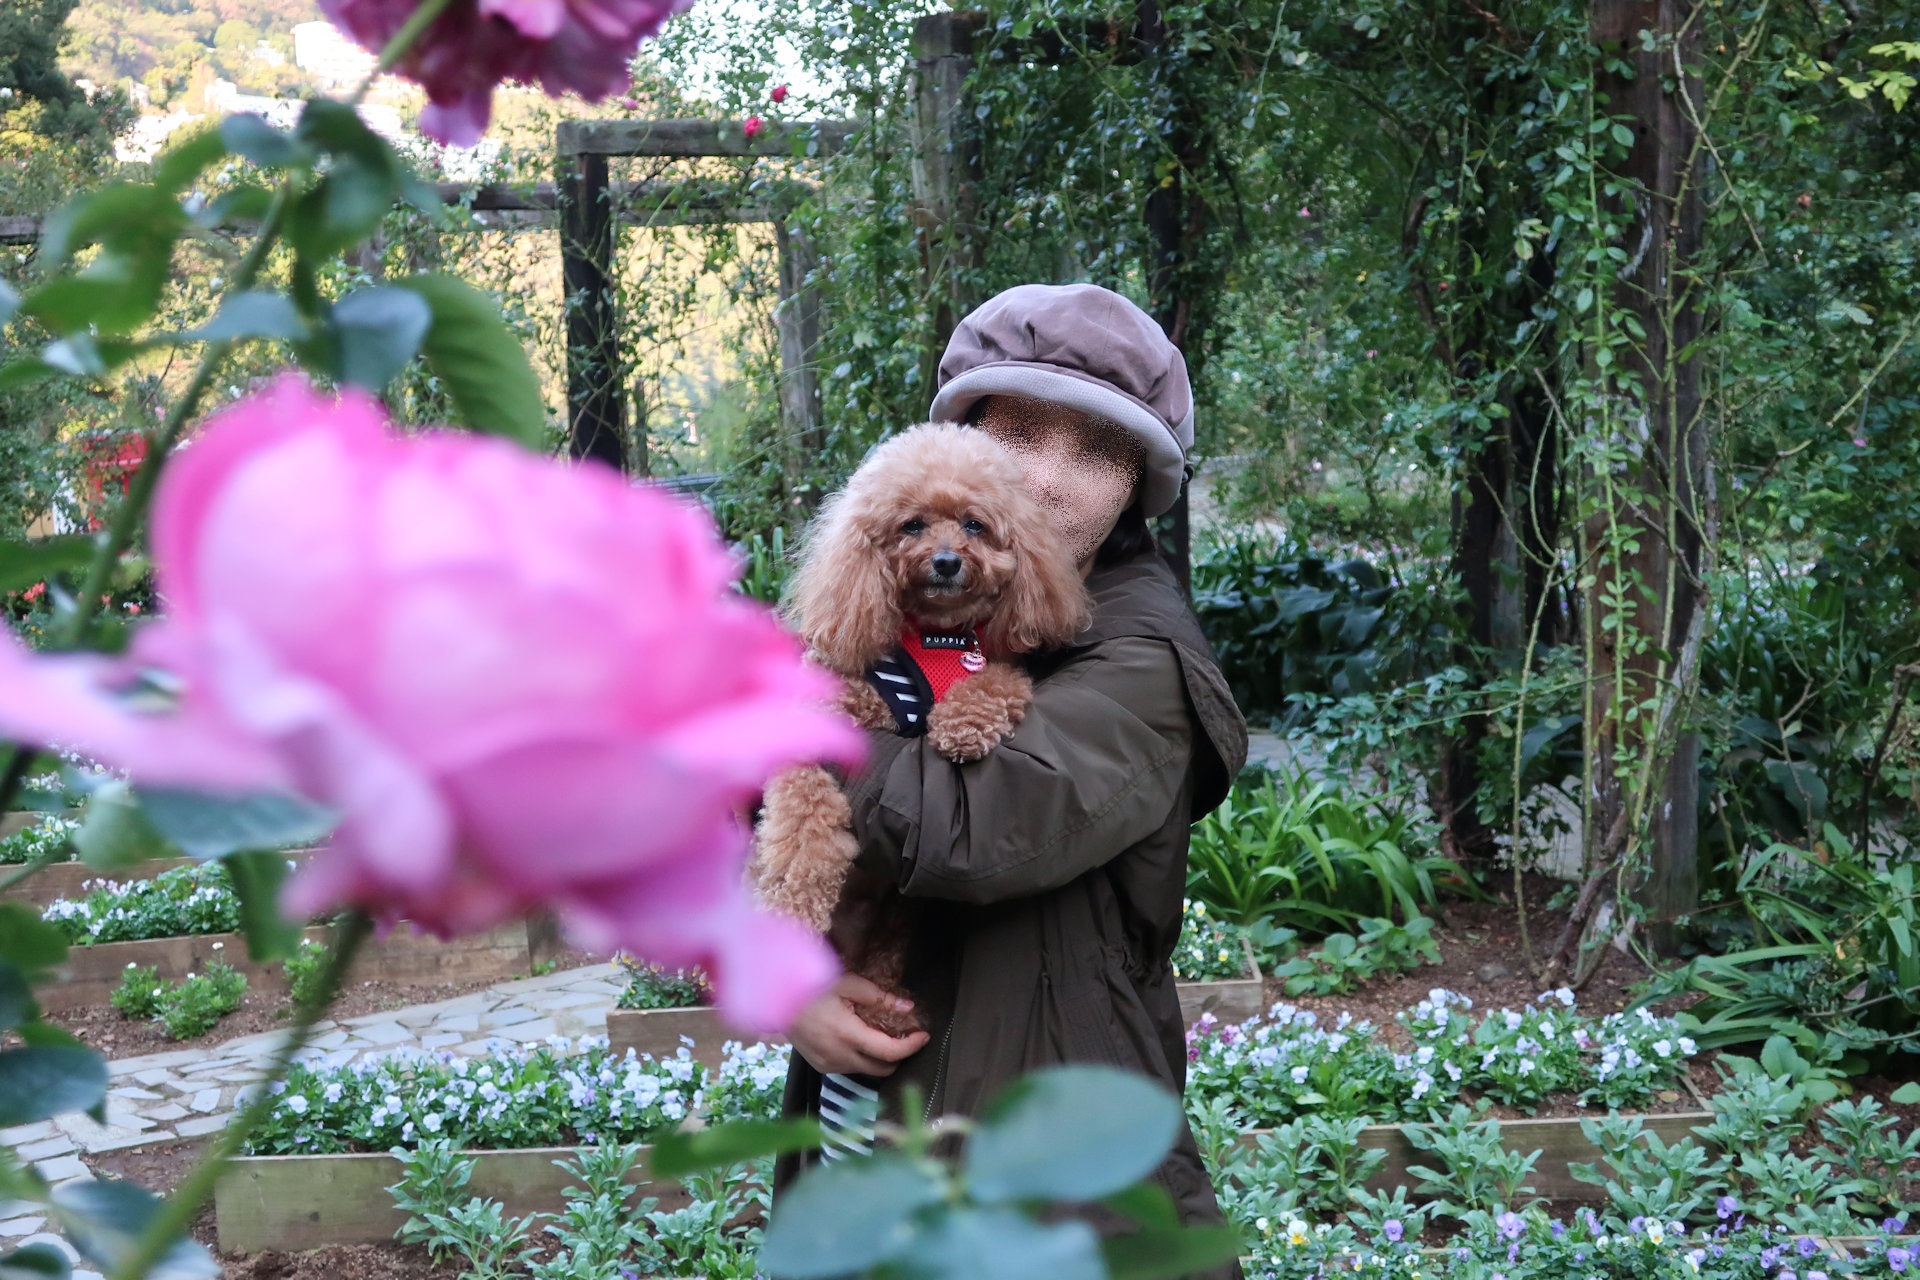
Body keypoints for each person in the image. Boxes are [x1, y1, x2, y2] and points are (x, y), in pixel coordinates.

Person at [774, 283, 1248, 1273]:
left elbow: (969, 830)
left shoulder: (1142, 651)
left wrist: (785, 730)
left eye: (1097, 453)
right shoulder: (903, 610)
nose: (1045, 479)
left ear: (1136, 486)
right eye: (1020, 433)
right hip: (874, 1103)